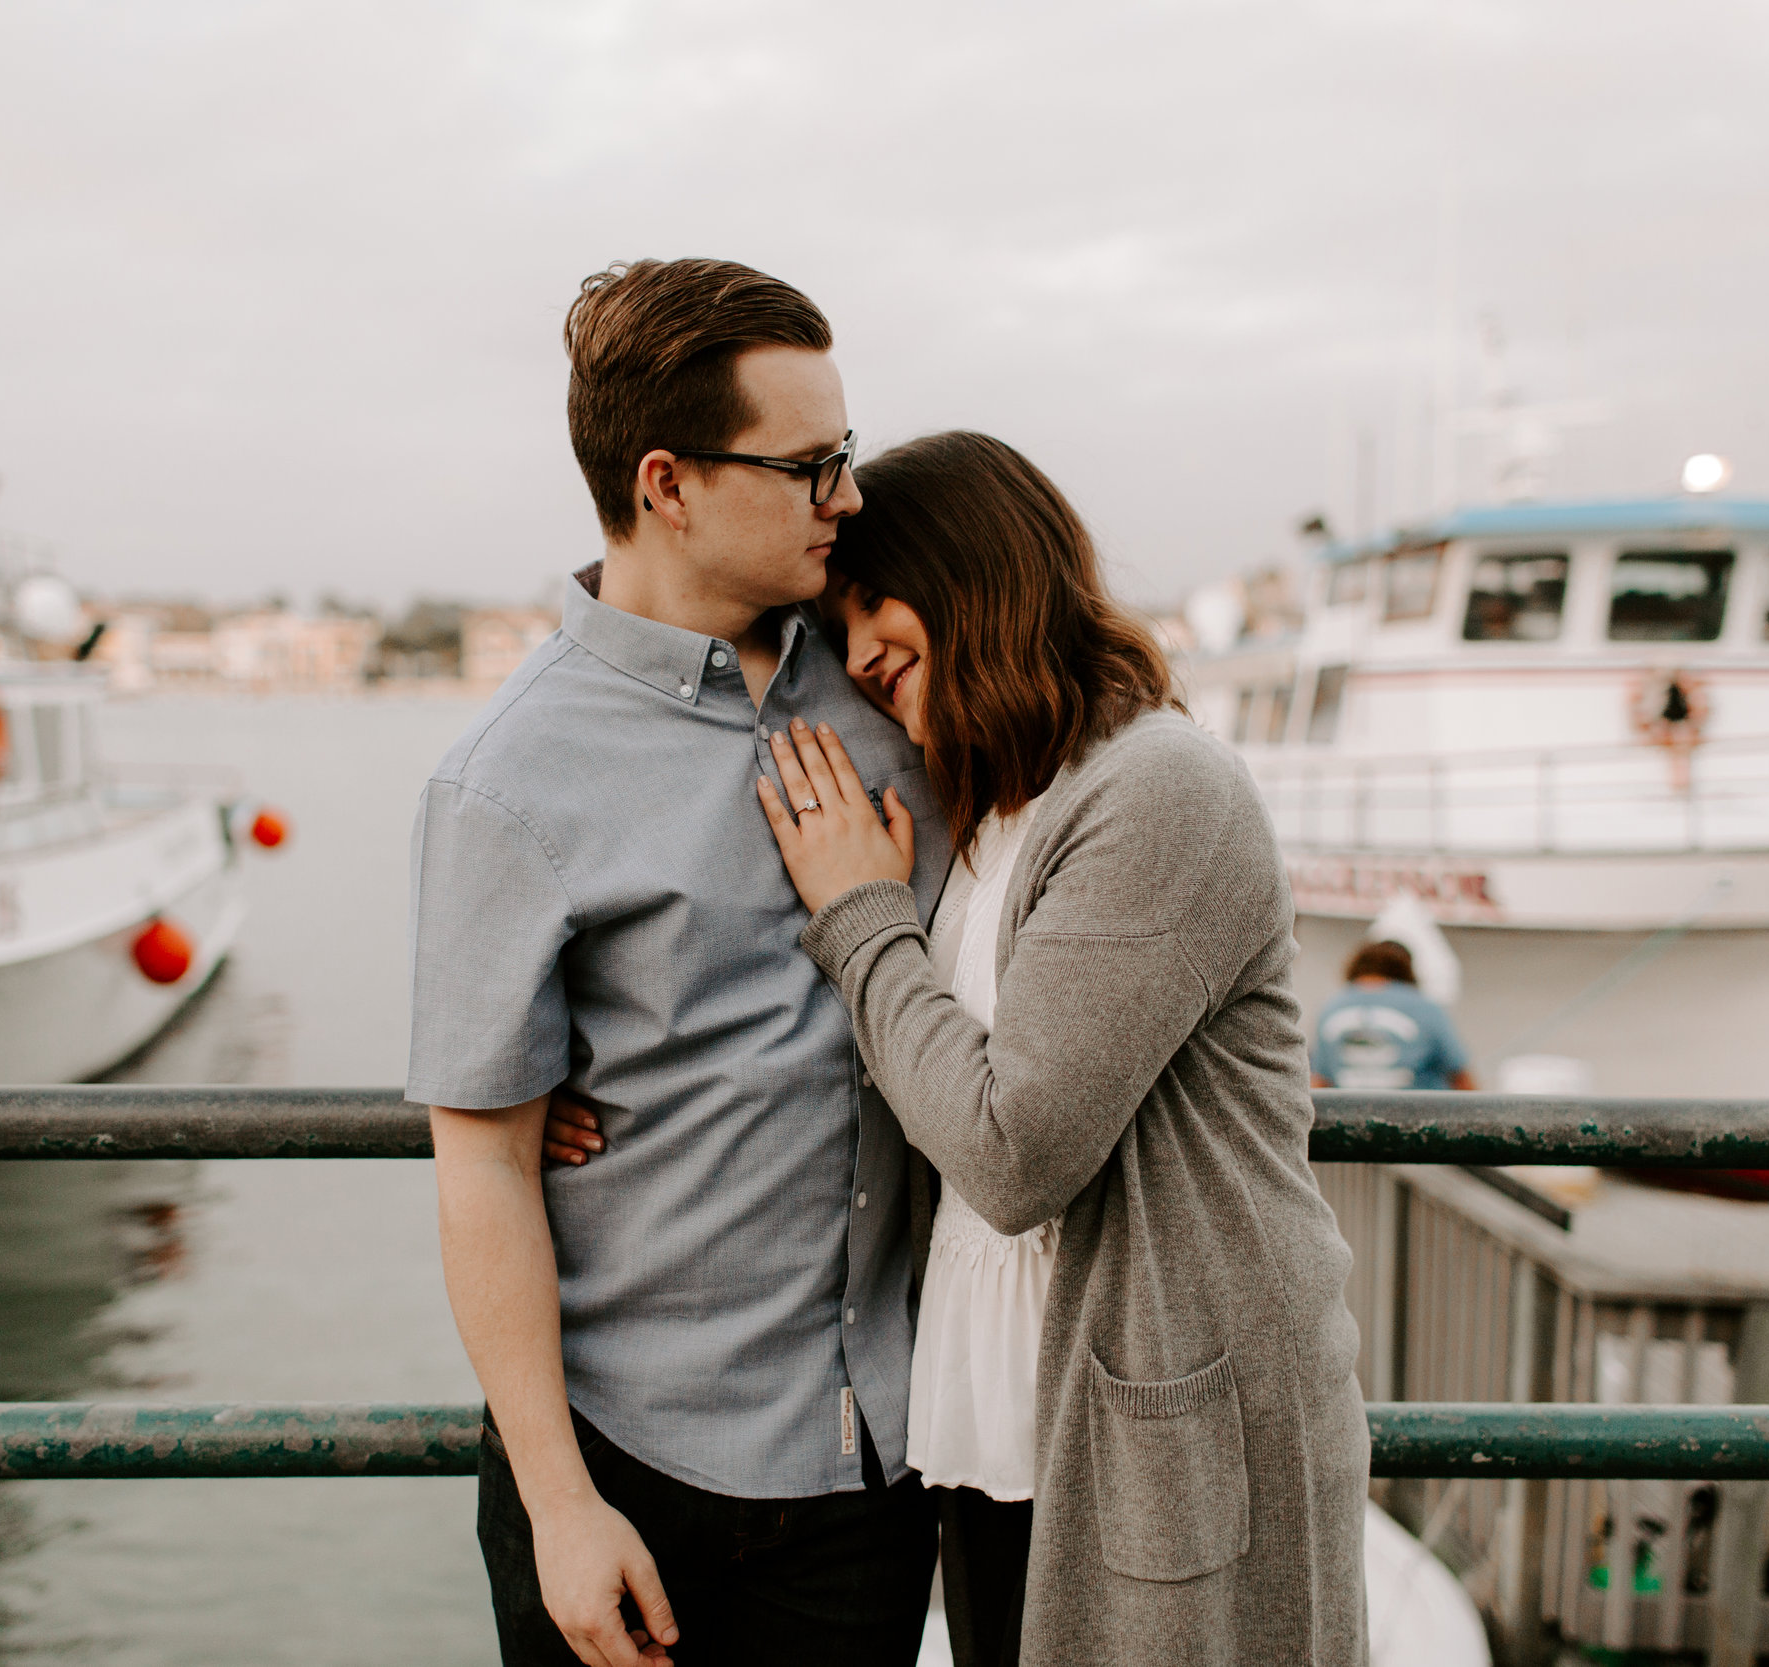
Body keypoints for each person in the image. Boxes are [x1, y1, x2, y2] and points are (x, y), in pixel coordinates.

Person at [661, 430, 1368, 1665]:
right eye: (834, 617)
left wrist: (857, 913)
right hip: (999, 1421)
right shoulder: (985, 808)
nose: (857, 645)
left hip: (1156, 1423)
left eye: (871, 597)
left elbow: (1013, 1145)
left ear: (975, 568)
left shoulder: (1156, 789)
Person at [410, 259, 948, 1667]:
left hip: (878, 1475)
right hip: (627, 1475)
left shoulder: (902, 679)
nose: (849, 496)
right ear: (669, 482)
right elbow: (479, 1160)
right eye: (811, 466)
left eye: (849, 456)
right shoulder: (506, 781)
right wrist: (560, 1506)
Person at [1308, 939, 1477, 1091]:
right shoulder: (1426, 1008)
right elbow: (1461, 1077)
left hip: (1348, 1121)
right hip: (1416, 1121)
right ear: (1406, 970)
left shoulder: (1331, 1007)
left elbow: (1319, 1082)